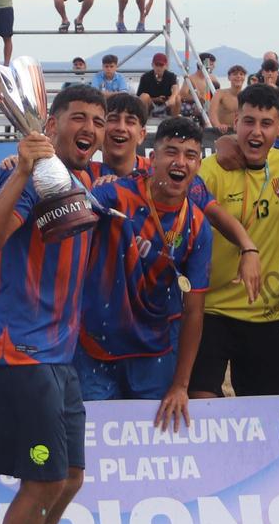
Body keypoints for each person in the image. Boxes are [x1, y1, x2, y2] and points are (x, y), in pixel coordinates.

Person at [0, 84, 106, 524]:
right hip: (19, 352)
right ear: (51, 123)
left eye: (98, 118)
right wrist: (21, 171)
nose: (90, 127)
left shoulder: (84, 182)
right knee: (45, 479)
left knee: (68, 478)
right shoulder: (22, 178)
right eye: (79, 117)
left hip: (59, 356)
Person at [76, 118, 213, 419]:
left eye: (190, 155)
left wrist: (181, 384)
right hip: (97, 345)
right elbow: (65, 212)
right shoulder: (114, 196)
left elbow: (194, 311)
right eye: (171, 152)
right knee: (95, 440)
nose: (180, 162)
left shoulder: (198, 226)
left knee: (150, 440)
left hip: (156, 350)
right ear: (152, 158)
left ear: (199, 165)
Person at [192, 84, 279, 398]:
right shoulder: (210, 170)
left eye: (266, 124)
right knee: (202, 405)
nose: (256, 132)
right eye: (248, 121)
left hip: (265, 313)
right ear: (236, 123)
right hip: (210, 309)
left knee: (266, 411)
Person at [136, 50, 182, 118]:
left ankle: (174, 121)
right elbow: (140, 96)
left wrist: (172, 98)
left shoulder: (171, 76)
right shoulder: (145, 77)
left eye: (161, 65)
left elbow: (175, 87)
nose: (159, 68)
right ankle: (143, 119)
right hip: (151, 105)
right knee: (144, 96)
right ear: (152, 65)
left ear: (166, 66)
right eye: (157, 65)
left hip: (168, 105)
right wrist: (156, 99)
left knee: (177, 98)